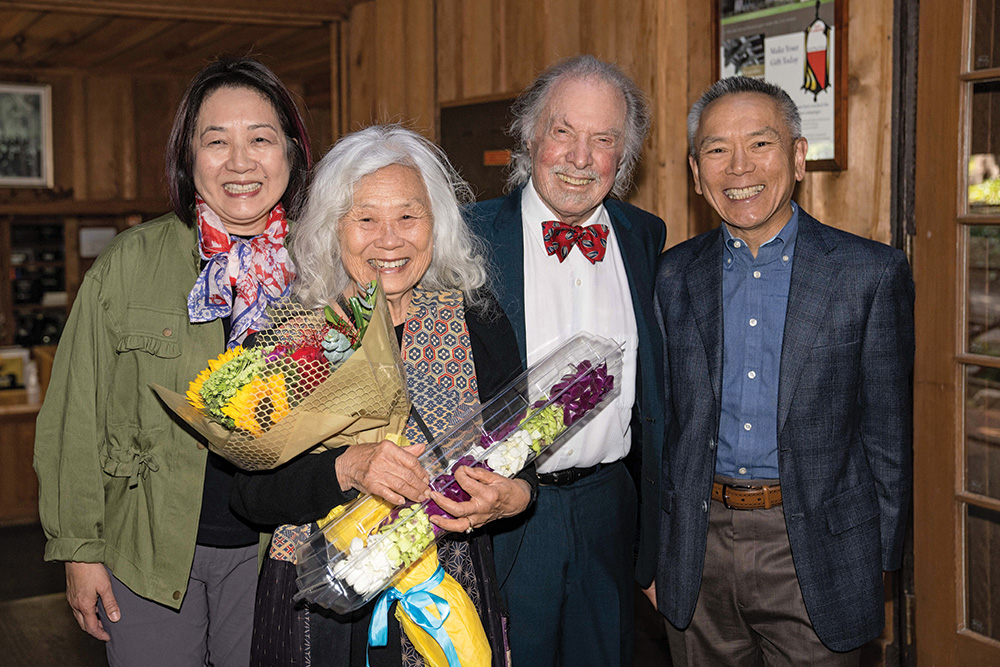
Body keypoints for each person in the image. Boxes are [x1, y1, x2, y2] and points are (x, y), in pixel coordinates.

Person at [33, 57, 313, 666]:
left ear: (291, 155)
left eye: (260, 140)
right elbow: (74, 413)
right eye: (216, 142)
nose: (240, 163)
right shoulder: (130, 263)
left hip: (277, 556)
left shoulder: (322, 268)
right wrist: (80, 549)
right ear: (189, 159)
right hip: (147, 551)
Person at [229, 124, 536, 667]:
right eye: (365, 218)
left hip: (447, 596)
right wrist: (346, 467)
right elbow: (249, 496)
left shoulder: (477, 322)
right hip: (320, 606)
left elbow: (520, 457)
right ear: (331, 228)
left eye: (408, 216)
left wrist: (513, 498)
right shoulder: (290, 336)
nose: (389, 239)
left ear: (436, 225)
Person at [649, 76, 914, 665]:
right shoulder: (670, 277)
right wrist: (654, 555)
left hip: (817, 553)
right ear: (696, 173)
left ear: (798, 157)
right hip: (698, 550)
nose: (738, 168)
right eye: (717, 150)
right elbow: (659, 427)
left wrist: (877, 564)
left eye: (760, 144)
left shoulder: (869, 274)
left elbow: (889, 436)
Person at [465, 54, 666, 667]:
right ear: (531, 136)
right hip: (506, 514)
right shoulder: (466, 237)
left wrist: (651, 547)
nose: (581, 158)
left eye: (602, 140)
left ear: (622, 157)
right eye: (563, 132)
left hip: (610, 506)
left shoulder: (644, 236)